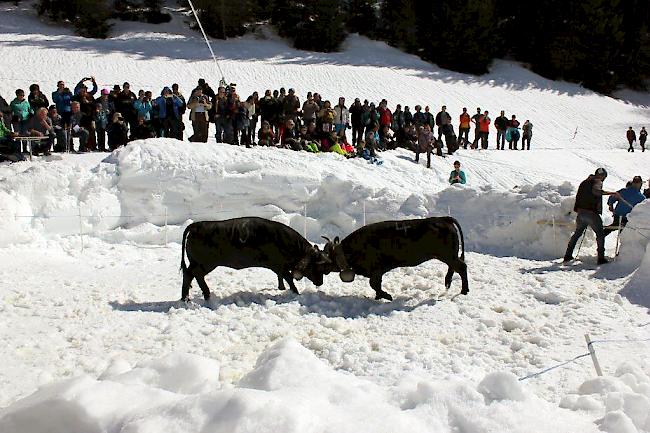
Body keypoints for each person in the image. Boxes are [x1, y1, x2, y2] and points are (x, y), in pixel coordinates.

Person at [563, 168, 620, 265]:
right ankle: (601, 258)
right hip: (591, 213)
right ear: (602, 176)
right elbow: (597, 192)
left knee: (577, 233)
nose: (604, 179)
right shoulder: (597, 181)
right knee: (600, 234)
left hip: (581, 213)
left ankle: (568, 255)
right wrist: (612, 193)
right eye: (604, 177)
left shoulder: (584, 182)